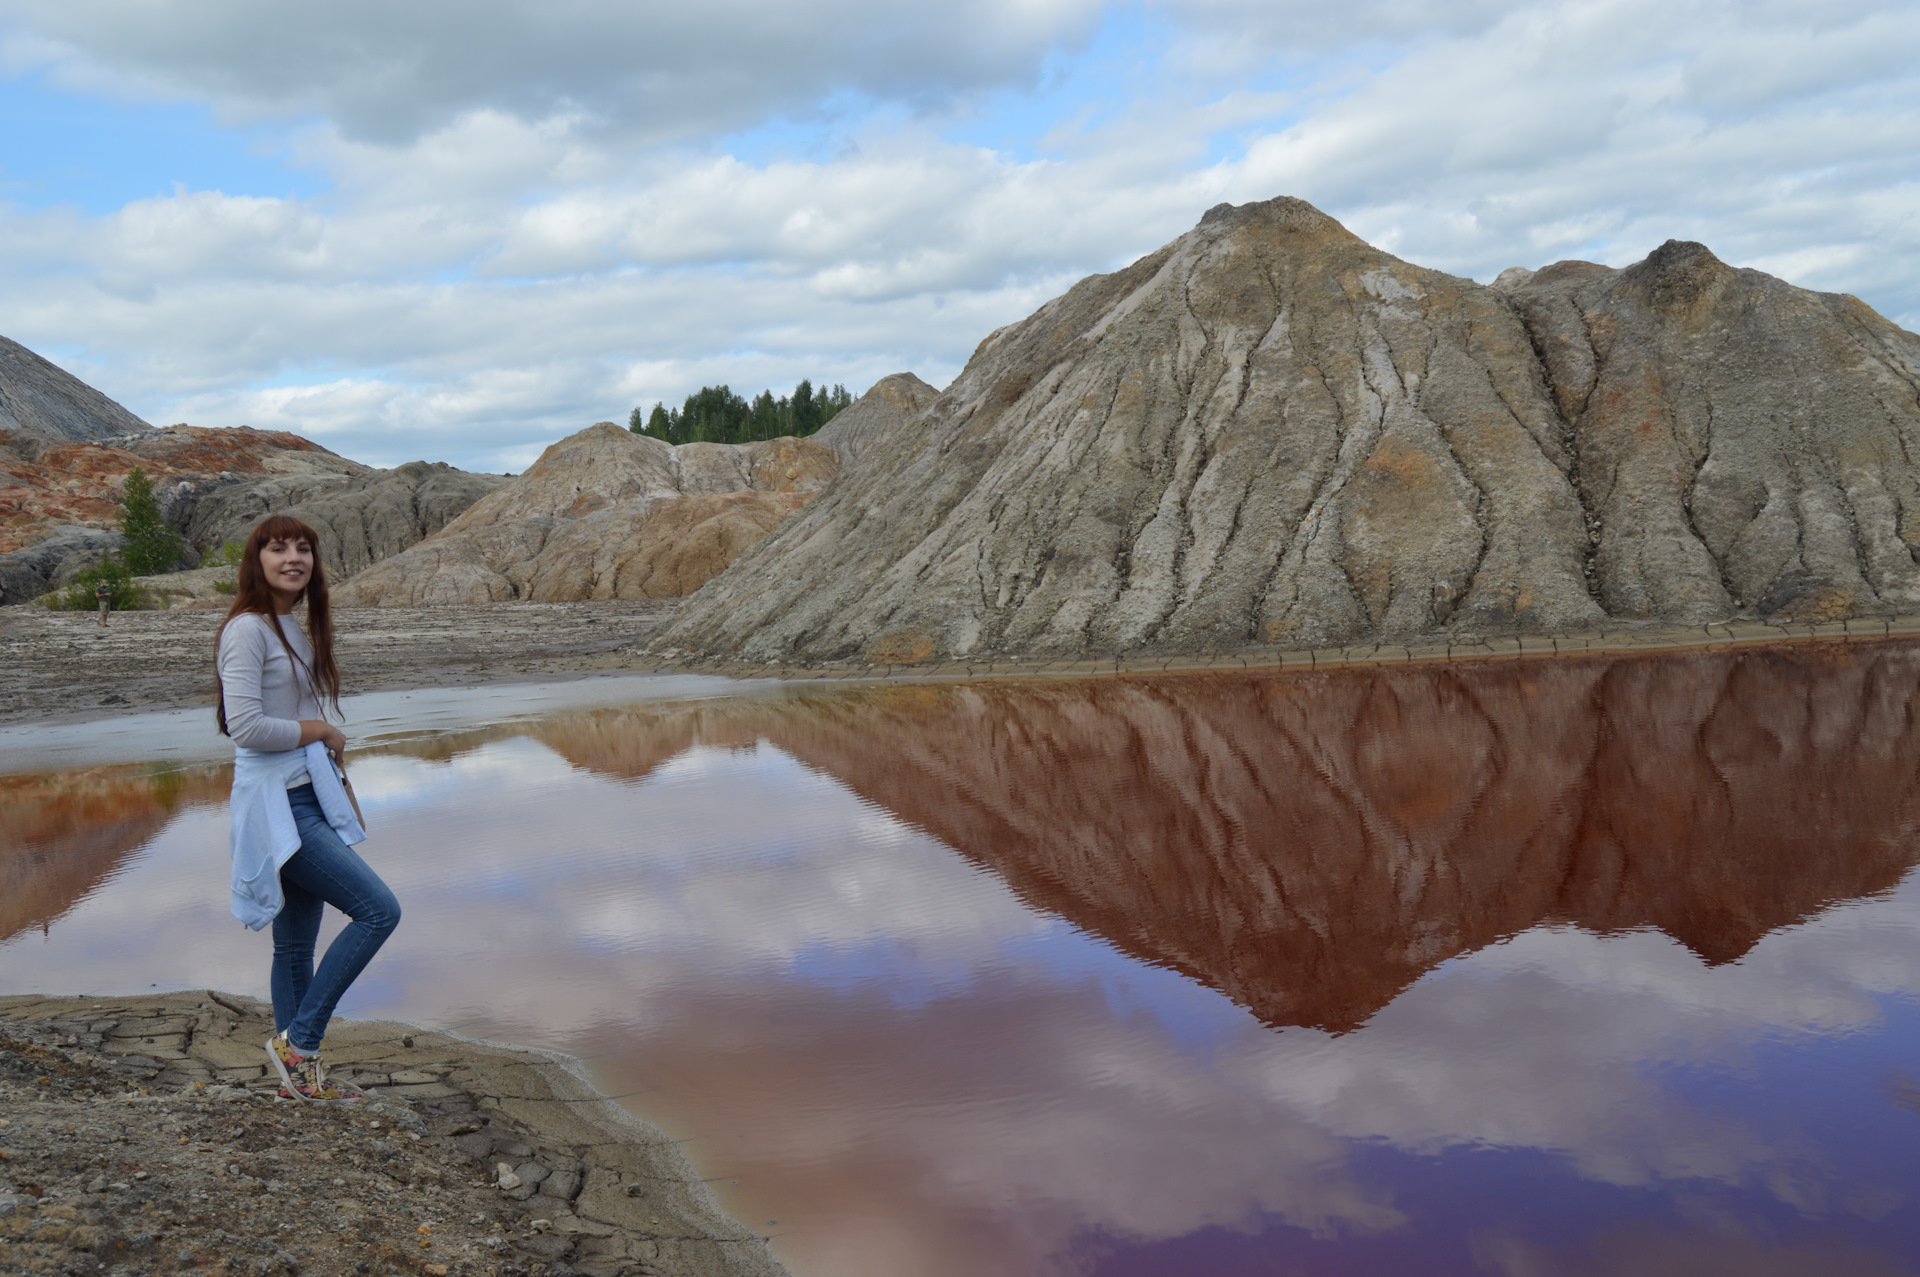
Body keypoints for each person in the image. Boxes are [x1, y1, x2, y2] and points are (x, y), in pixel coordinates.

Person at [214, 514, 400, 1102]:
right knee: (378, 911)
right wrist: (320, 728)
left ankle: (298, 1080)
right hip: (280, 804)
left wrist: (319, 745)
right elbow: (244, 726)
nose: (292, 558)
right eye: (278, 548)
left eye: (303, 549)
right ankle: (302, 1043)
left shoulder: (290, 627)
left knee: (294, 946)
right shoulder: (246, 630)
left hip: (301, 794)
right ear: (256, 560)